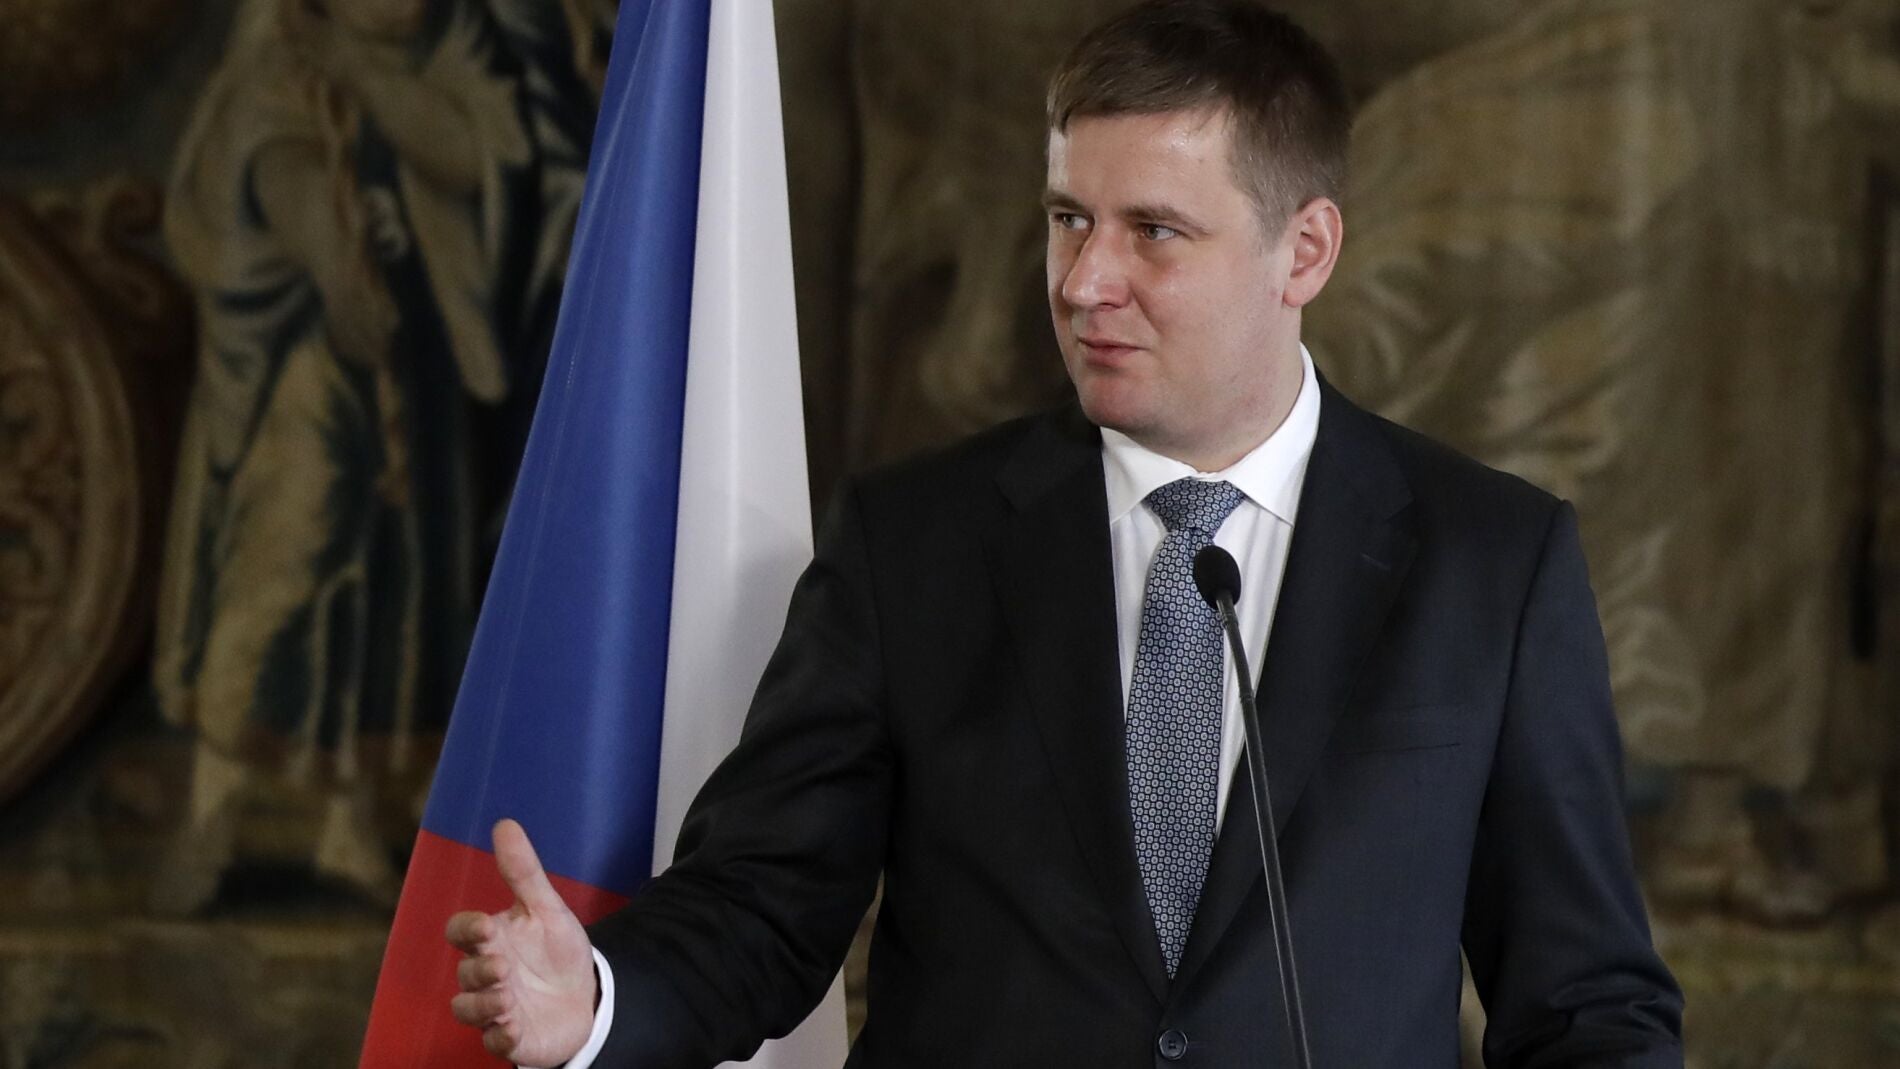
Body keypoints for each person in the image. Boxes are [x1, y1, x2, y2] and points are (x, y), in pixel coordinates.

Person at [446, 1, 1685, 1065]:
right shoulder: (912, 543)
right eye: (1065, 218)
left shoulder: (1490, 563)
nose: (1084, 281)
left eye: (1153, 230)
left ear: (1303, 251)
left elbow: (1586, 1003)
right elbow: (762, 905)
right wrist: (598, 997)